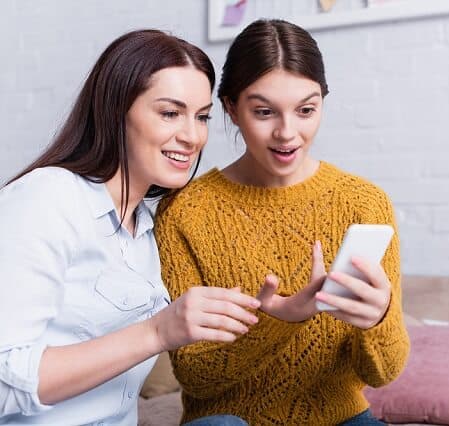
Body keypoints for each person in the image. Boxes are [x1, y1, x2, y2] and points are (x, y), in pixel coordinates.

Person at [155, 19, 410, 425]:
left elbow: (384, 373)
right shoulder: (185, 213)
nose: (287, 133)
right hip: (230, 419)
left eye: (306, 109)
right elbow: (195, 376)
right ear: (231, 109)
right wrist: (280, 318)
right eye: (263, 112)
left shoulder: (364, 204)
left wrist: (378, 321)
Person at [0, 29, 259, 426]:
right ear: (115, 111)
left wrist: (286, 312)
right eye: (170, 113)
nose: (192, 136)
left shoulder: (149, 228)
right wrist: (156, 332)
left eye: (202, 116)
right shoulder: (47, 198)